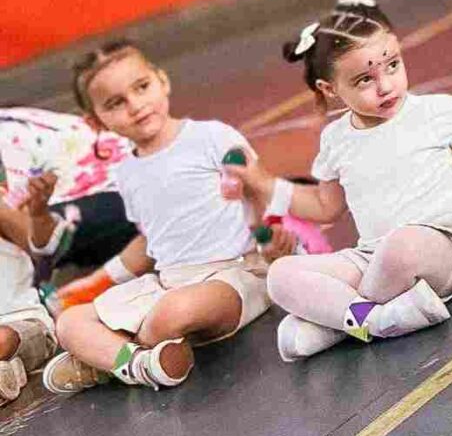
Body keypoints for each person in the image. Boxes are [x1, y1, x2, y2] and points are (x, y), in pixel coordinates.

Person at [223, 0, 452, 361]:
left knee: (401, 246)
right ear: (330, 90)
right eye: (364, 79)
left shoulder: (436, 112)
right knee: (281, 275)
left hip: (448, 249)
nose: (386, 85)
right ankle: (377, 321)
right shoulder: (335, 140)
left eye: (392, 65)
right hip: (372, 258)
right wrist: (263, 183)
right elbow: (325, 207)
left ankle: (338, 325)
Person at [42, 43, 282, 396]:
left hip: (235, 275)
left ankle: (103, 362)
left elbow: (262, 193)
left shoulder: (212, 137)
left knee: (172, 313)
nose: (136, 105)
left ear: (162, 81)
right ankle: (141, 364)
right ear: (97, 122)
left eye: (142, 87)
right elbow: (150, 243)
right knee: (70, 323)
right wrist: (95, 281)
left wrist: (277, 243)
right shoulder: (126, 174)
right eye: (115, 103)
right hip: (167, 283)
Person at [0, 169, 59, 403]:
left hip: (21, 323)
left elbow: (38, 247)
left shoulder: (9, 207)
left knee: (2, 338)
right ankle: (8, 373)